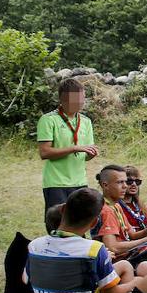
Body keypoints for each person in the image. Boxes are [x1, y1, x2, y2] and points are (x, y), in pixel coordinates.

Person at [36, 78, 99, 211]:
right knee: (59, 224)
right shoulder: (48, 120)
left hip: (80, 182)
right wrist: (74, 148)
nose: (81, 102)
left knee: (80, 222)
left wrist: (90, 154)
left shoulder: (86, 121)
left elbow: (85, 155)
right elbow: (45, 153)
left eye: (82, 98)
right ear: (63, 99)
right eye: (76, 99)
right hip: (56, 183)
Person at [94, 165, 147, 261]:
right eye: (120, 182)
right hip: (120, 261)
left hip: (129, 255)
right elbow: (112, 247)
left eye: (125, 182)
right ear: (105, 185)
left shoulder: (116, 205)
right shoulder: (106, 211)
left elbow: (132, 235)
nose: (125, 186)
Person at [119, 165, 147, 235]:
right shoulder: (116, 205)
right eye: (129, 181)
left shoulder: (139, 203)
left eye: (137, 181)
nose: (134, 184)